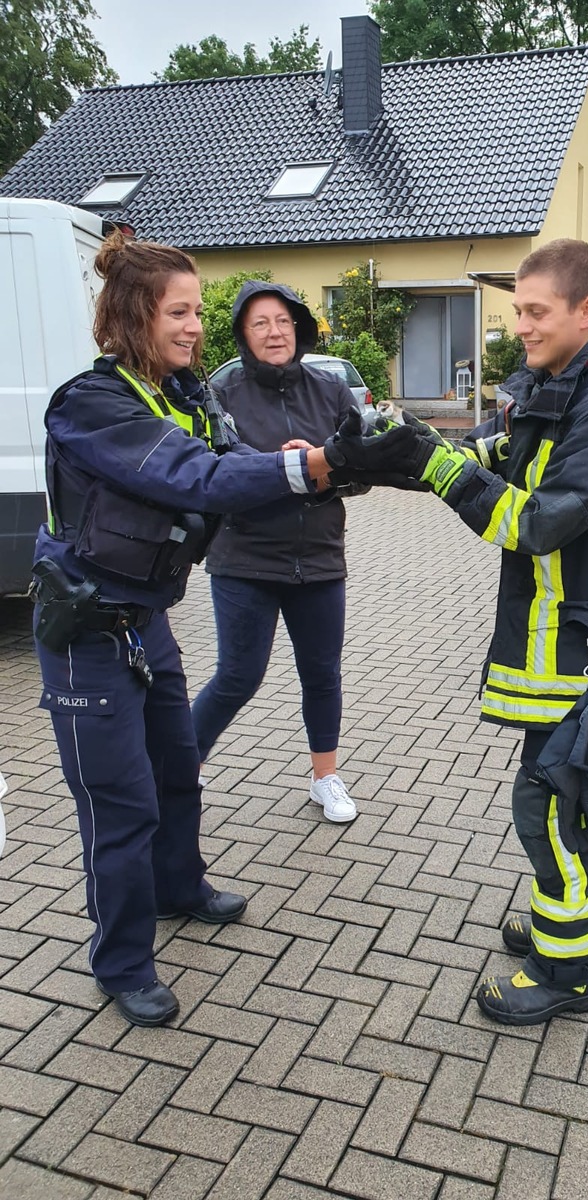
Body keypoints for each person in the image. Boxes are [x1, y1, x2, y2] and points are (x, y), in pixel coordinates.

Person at [30, 233, 413, 1028]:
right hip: (88, 636)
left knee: (177, 772)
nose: (195, 326)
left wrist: (346, 459)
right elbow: (191, 477)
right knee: (121, 804)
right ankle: (122, 960)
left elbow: (239, 464)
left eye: (195, 312)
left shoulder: (185, 393)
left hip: (147, 623)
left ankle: (179, 886)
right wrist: (300, 468)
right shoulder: (92, 404)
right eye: (180, 312)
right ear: (134, 315)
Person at [352, 238, 588, 1025]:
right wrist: (406, 452)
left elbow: (541, 522)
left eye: (534, 311)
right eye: (517, 309)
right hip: (558, 640)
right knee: (577, 799)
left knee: (549, 806)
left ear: (586, 310)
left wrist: (445, 472)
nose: (518, 325)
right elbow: (500, 456)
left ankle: (570, 974)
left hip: (575, 648)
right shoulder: (561, 384)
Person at [191, 281, 365, 823]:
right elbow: (218, 470)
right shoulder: (222, 394)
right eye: (261, 323)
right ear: (244, 333)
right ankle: (178, 769)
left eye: (284, 321)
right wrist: (287, 468)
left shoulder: (331, 389)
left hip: (318, 557)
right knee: (238, 676)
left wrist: (322, 466)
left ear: (299, 328)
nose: (275, 332)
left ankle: (325, 778)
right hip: (244, 559)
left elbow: (361, 468)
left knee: (322, 674)